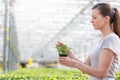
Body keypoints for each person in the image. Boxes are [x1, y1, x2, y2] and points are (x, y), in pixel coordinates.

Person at [57, 3, 120, 80]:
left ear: (106, 19)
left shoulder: (110, 39)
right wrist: (69, 53)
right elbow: (86, 65)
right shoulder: (99, 41)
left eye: (94, 18)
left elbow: (101, 73)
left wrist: (74, 63)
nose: (91, 21)